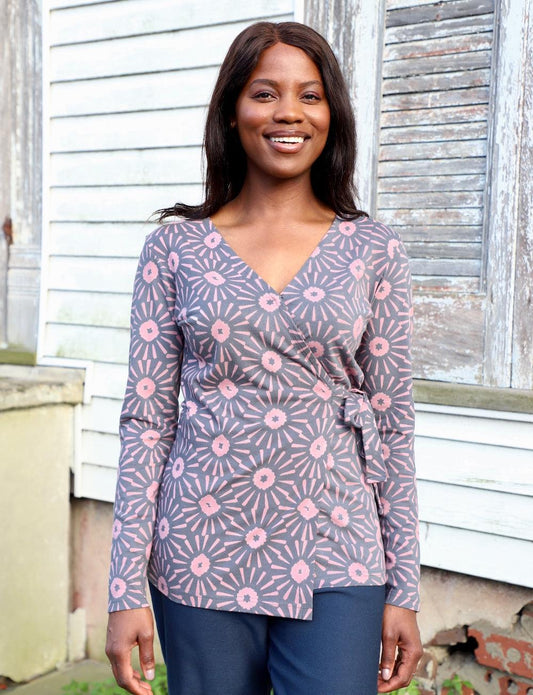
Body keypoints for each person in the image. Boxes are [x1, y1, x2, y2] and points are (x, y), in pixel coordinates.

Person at [105, 20, 423, 695]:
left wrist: (405, 586)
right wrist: (124, 584)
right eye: (264, 93)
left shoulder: (374, 250)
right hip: (200, 547)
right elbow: (147, 422)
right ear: (231, 111)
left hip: (338, 546)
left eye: (309, 95)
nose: (288, 113)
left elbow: (392, 424)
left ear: (331, 115)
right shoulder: (174, 250)